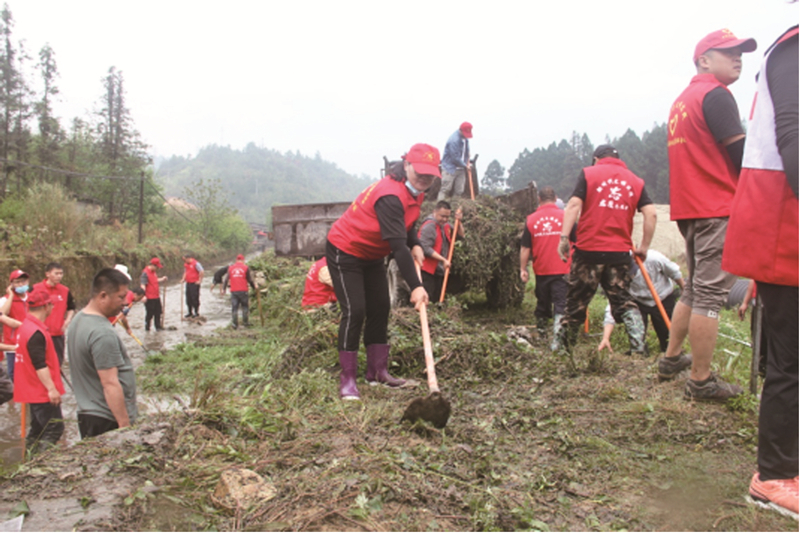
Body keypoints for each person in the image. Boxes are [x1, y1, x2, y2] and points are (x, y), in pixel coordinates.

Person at [721, 24, 798, 518]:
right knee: (791, 361)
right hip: (784, 225)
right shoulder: (792, 51)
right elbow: (792, 136)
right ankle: (773, 475)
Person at [659, 28, 757, 401]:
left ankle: (671, 360)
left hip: (690, 207)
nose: (738, 59)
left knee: (696, 287)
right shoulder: (716, 95)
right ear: (704, 60)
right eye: (729, 52)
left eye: (741, 53)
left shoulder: (682, 100)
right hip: (717, 205)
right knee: (711, 295)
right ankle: (701, 381)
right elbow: (741, 156)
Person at [326, 143, 437, 400]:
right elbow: (397, 247)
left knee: (380, 308)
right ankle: (348, 379)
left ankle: (376, 372)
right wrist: (416, 286)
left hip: (373, 253)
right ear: (406, 165)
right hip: (346, 250)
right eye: (419, 171)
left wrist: (417, 243)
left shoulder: (416, 191)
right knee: (356, 310)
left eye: (430, 174)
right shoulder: (389, 194)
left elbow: (404, 225)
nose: (424, 178)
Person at [553, 145, 656, 356]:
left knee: (576, 303)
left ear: (596, 158)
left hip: (589, 250)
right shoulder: (635, 180)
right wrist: (644, 247)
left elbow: (573, 205)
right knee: (624, 301)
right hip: (619, 253)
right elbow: (651, 214)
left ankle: (564, 351)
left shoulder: (589, 173)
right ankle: (638, 348)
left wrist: (564, 238)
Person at [67, 268, 137, 439]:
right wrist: (124, 425)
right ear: (103, 296)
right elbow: (110, 383)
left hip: (87, 413)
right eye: (121, 297)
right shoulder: (102, 333)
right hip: (106, 418)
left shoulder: (78, 320)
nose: (124, 303)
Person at [597, 250, 685, 354]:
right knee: (636, 334)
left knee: (667, 336)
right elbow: (613, 306)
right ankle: (639, 351)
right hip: (637, 300)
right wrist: (605, 338)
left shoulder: (654, 258)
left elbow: (675, 273)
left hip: (662, 296)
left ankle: (672, 353)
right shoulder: (618, 275)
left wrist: (685, 291)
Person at [13, 287, 65, 455]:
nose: (52, 308)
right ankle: (41, 462)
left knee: (37, 429)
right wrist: (51, 389)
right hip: (40, 390)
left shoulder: (26, 326)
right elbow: (39, 364)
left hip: (30, 387)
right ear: (46, 306)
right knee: (54, 428)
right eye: (51, 305)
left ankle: (29, 459)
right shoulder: (35, 332)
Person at [520, 186, 571, 345]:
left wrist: (523, 269)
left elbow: (525, 248)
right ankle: (557, 342)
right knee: (561, 304)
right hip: (563, 268)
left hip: (541, 270)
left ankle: (542, 334)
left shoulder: (531, 219)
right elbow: (577, 241)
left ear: (539, 199)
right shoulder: (566, 217)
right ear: (556, 199)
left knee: (542, 303)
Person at [418, 201, 464, 301]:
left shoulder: (445, 225)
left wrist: (459, 222)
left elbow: (460, 236)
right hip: (427, 270)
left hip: (439, 269)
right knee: (428, 297)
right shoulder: (429, 226)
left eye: (447, 217)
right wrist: (443, 260)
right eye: (442, 216)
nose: (444, 219)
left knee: (437, 296)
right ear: (435, 212)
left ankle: (436, 313)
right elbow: (425, 248)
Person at [32, 262, 76, 366]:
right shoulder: (36, 289)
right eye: (56, 273)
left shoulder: (65, 290)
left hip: (57, 334)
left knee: (57, 363)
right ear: (47, 274)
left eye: (61, 273)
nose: (59, 276)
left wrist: (67, 320)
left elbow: (71, 307)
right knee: (39, 363)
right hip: (40, 333)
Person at [0, 269, 30, 382]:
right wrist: (11, 295)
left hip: (30, 340)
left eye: (23, 281)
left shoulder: (32, 297)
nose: (21, 284)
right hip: (13, 343)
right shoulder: (5, 300)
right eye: (17, 282)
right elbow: (2, 314)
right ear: (11, 284)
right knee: (14, 375)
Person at [438, 122, 472, 200]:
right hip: (450, 168)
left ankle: (455, 207)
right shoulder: (453, 140)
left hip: (461, 169)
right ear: (460, 130)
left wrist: (468, 156)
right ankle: (440, 207)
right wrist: (465, 166)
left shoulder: (465, 139)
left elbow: (467, 149)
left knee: (459, 191)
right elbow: (455, 158)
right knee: (445, 189)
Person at [224, 255, 256, 328]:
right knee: (245, 306)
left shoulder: (231, 268)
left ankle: (234, 324)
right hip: (243, 291)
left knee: (234, 307)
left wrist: (224, 289)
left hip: (234, 291)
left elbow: (226, 280)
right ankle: (245, 323)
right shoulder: (246, 268)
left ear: (236, 260)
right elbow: (250, 279)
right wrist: (254, 287)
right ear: (243, 260)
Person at [140, 257, 167, 332]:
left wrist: (162, 279)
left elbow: (154, 280)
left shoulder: (153, 272)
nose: (157, 269)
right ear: (153, 265)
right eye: (157, 267)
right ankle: (147, 328)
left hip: (156, 296)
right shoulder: (145, 273)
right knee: (150, 314)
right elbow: (143, 285)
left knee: (158, 312)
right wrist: (143, 295)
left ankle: (158, 327)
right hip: (149, 297)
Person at [181, 253, 204, 318]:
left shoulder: (196, 264)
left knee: (195, 298)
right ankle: (190, 312)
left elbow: (201, 271)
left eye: (185, 260)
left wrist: (200, 280)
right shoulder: (186, 264)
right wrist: (183, 279)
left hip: (194, 283)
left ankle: (196, 312)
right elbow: (185, 272)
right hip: (188, 283)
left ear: (188, 258)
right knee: (188, 298)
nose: (184, 261)